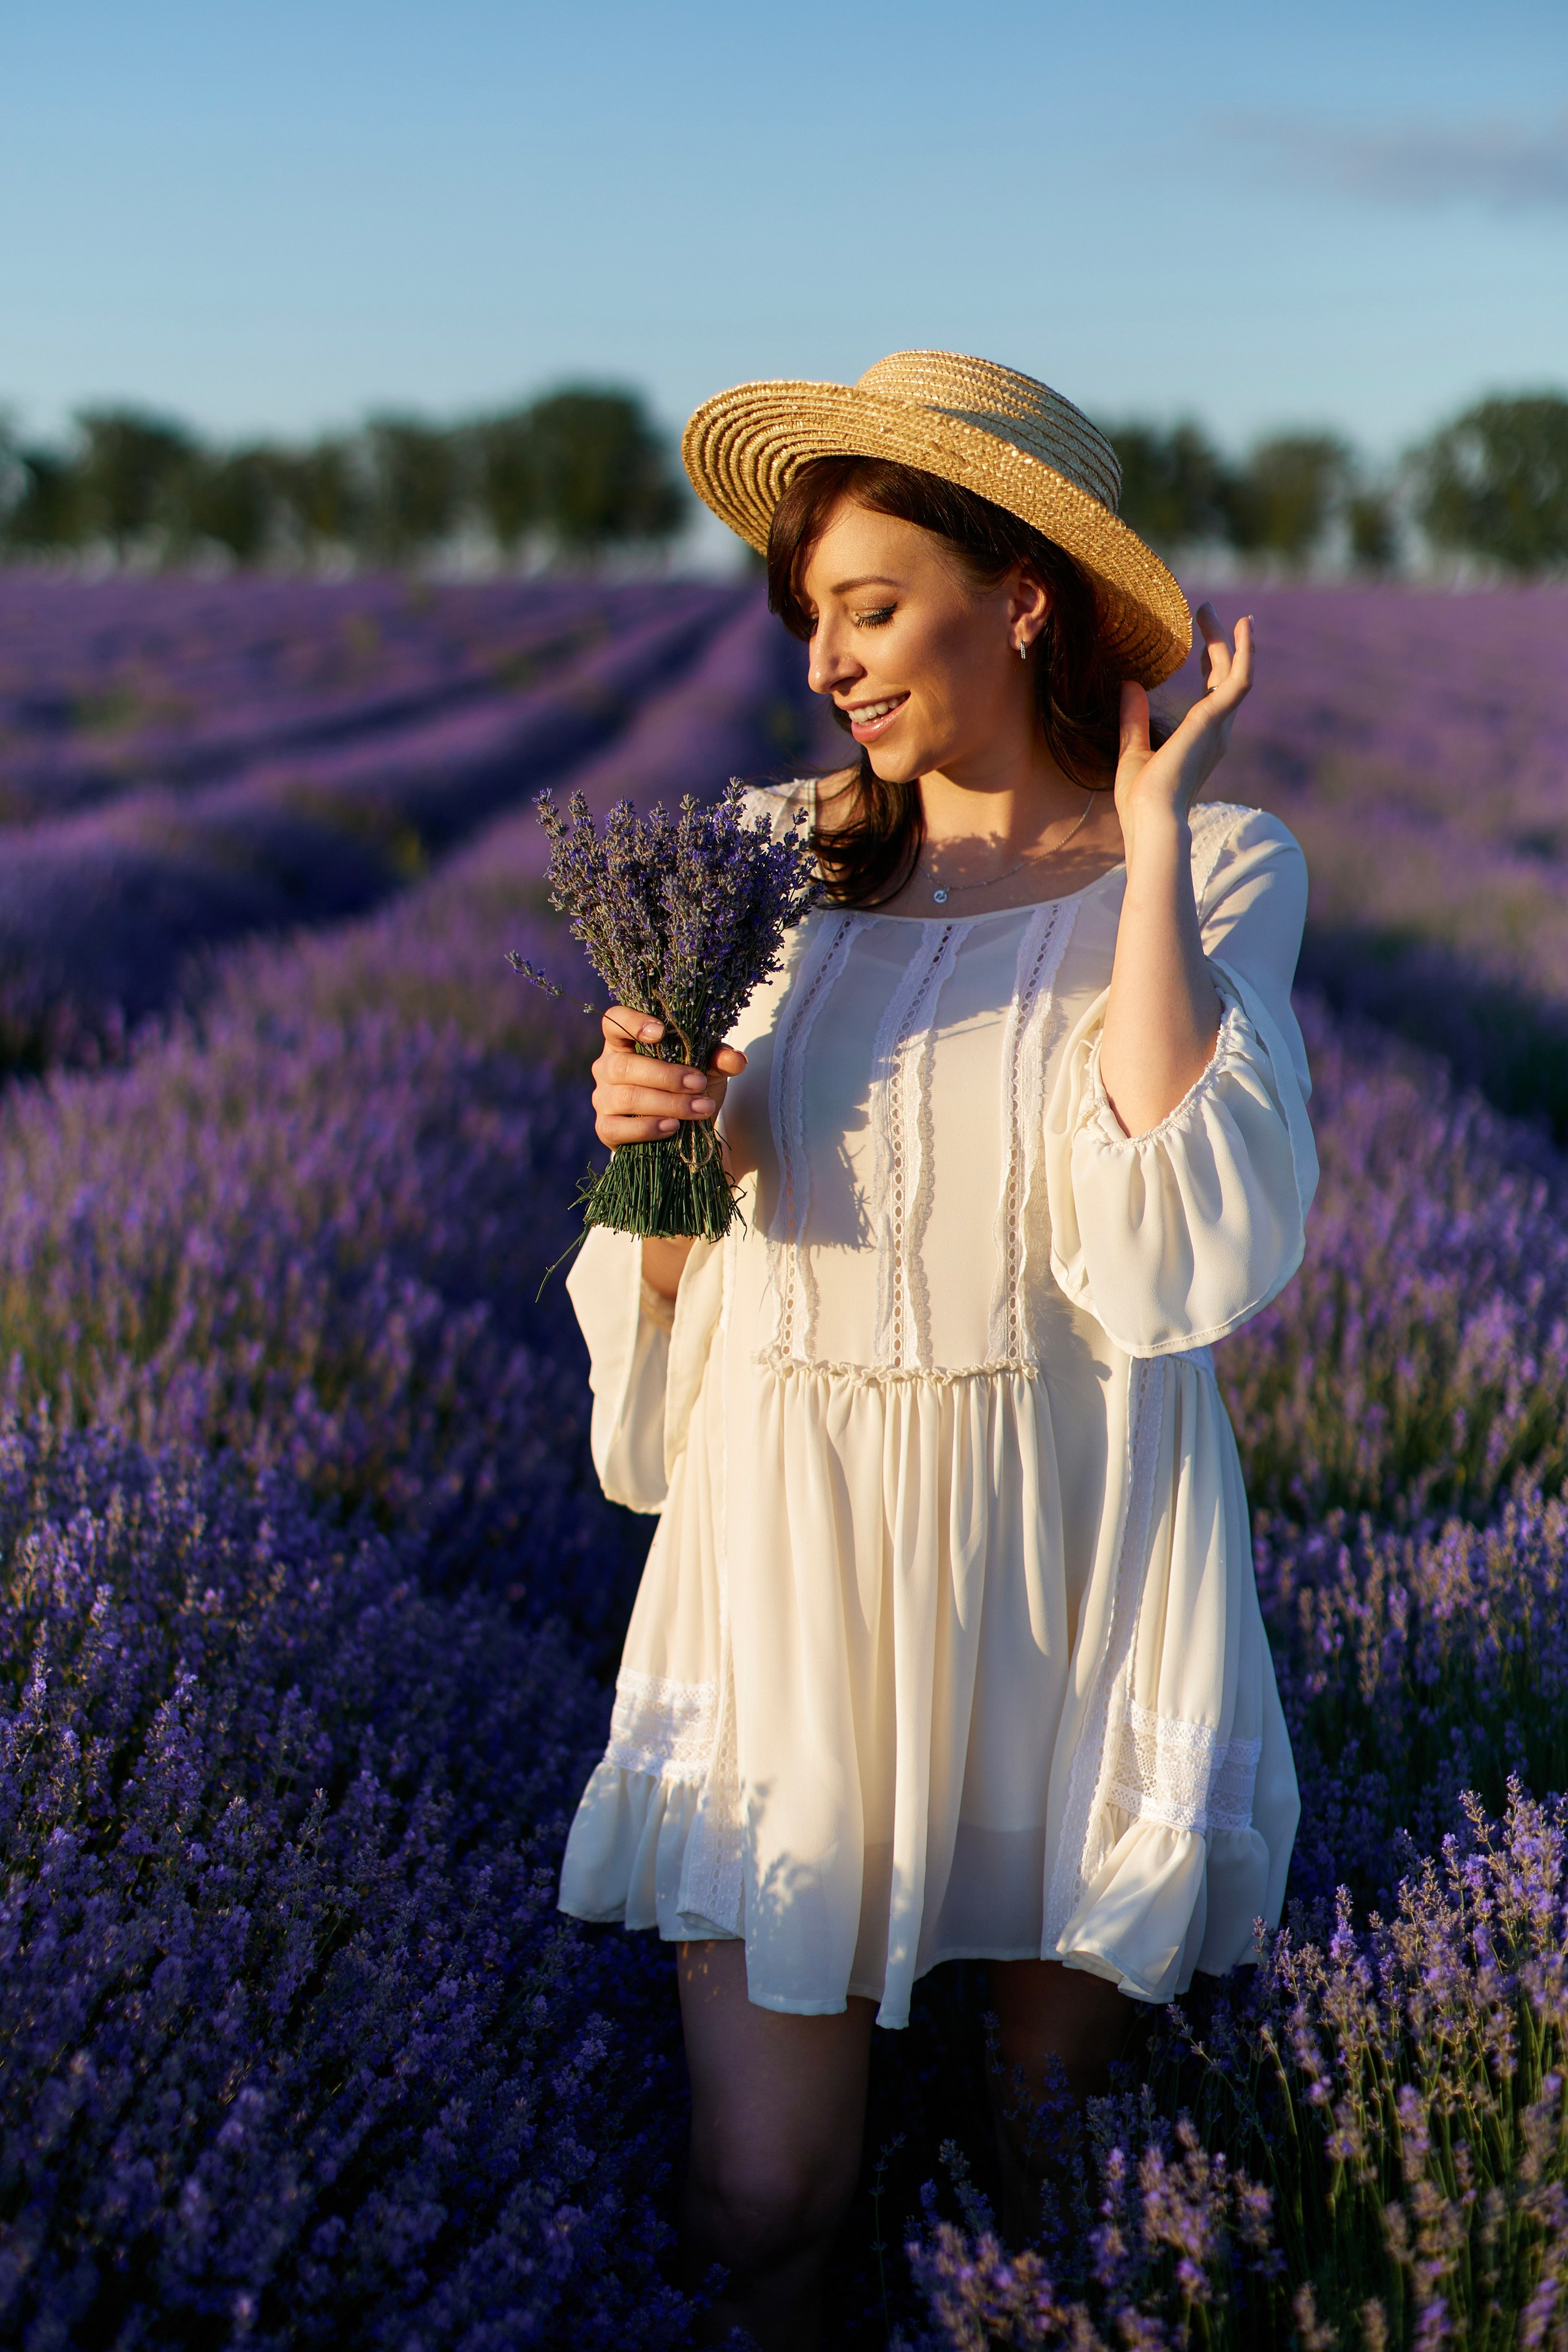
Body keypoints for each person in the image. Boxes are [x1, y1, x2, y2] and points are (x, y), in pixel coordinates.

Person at [557, 352, 1316, 2351]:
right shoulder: (752, 862)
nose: (827, 662)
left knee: (1061, 2181)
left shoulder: (1225, 867)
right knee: (764, 2198)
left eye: (873, 609)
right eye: (810, 617)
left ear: (1024, 598)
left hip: (1074, 1552)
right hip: (790, 1549)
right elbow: (679, 1283)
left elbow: (1175, 1248)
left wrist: (1147, 848)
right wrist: (651, 1150)